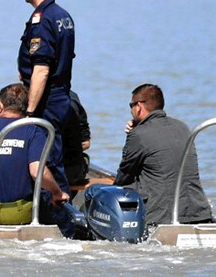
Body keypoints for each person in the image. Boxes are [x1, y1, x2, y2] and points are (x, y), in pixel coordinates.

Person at [10, 0, 75, 231]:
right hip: (61, 96)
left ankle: (67, 228)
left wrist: (30, 111)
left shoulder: (43, 19)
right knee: (54, 158)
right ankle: (62, 221)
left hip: (46, 101)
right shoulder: (63, 15)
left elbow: (41, 69)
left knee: (48, 164)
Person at [0, 83, 69, 225]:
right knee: (43, 200)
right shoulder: (34, 132)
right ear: (26, 107)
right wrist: (57, 193)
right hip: (20, 214)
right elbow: (37, 171)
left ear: (0, 106)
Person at [114, 83, 213, 226]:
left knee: (95, 192)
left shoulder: (139, 135)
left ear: (139, 106)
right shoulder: (183, 127)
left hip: (162, 216)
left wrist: (134, 133)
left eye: (131, 105)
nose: (130, 110)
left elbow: (124, 177)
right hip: (199, 212)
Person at [62, 90, 91, 188]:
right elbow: (86, 143)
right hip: (74, 173)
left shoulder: (30, 98)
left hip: (57, 174)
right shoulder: (73, 96)